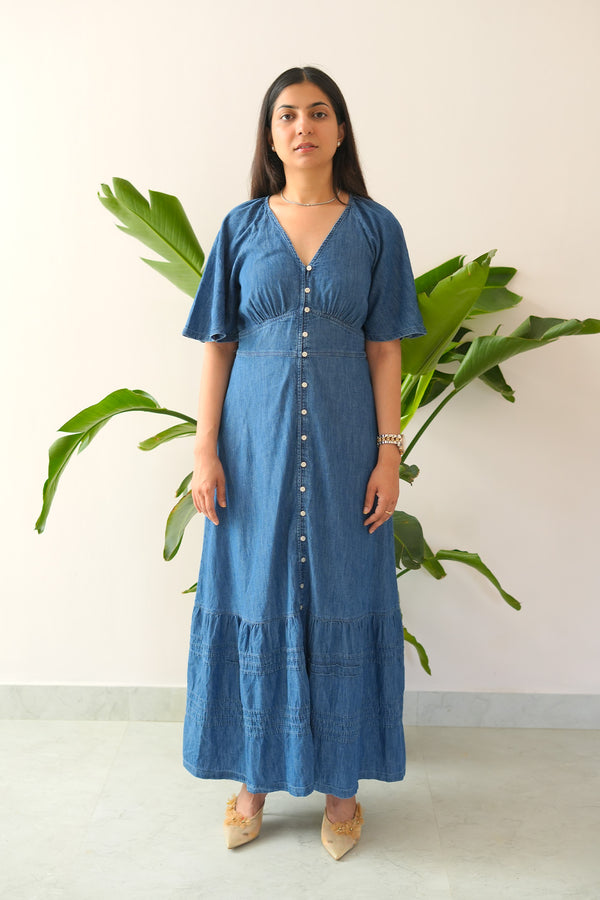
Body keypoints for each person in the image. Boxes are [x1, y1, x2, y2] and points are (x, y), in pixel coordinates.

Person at [182, 66, 426, 860]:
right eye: (286, 115)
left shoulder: (376, 227)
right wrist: (205, 447)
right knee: (252, 590)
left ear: (340, 129)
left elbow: (385, 348)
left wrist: (390, 455)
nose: (302, 127)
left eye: (318, 113)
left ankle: (343, 790)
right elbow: (219, 346)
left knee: (346, 592)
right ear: (270, 134)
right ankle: (252, 780)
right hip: (252, 448)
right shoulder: (241, 225)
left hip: (350, 446)